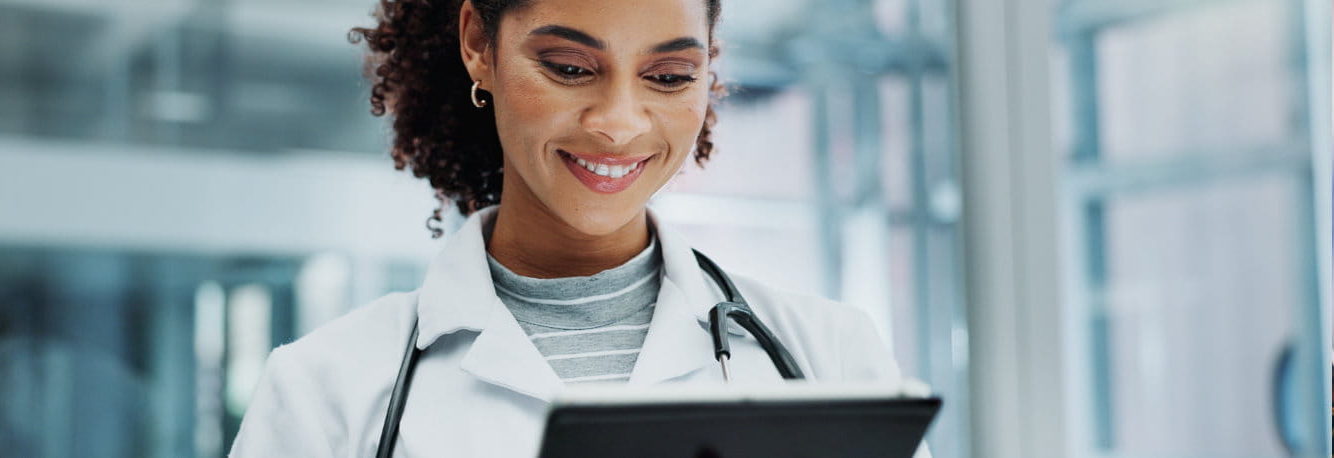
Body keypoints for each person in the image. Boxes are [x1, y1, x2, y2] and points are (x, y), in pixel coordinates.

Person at [229, 0, 925, 456]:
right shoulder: (326, 390)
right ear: (479, 45)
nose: (619, 122)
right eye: (569, 68)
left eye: (670, 74)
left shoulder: (830, 356)